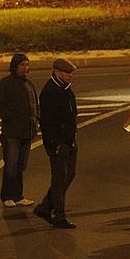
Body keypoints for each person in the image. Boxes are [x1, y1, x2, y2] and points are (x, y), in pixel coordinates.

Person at [33, 58, 79, 229]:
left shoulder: (65, 88)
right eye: (68, 73)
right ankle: (58, 215)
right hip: (59, 144)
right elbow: (47, 122)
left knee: (69, 175)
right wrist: (56, 144)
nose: (70, 76)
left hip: (69, 141)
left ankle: (45, 207)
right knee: (59, 179)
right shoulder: (50, 91)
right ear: (57, 72)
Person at [0, 53, 39, 208]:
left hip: (27, 131)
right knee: (11, 165)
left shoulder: (29, 84)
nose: (25, 68)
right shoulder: (6, 83)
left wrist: (36, 120)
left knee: (21, 166)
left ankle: (18, 195)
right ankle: (7, 195)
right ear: (15, 66)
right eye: (22, 65)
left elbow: (34, 105)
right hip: (12, 132)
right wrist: (12, 117)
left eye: (27, 64)